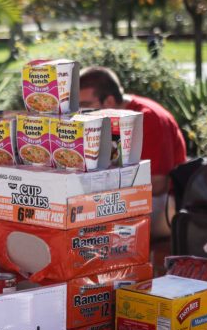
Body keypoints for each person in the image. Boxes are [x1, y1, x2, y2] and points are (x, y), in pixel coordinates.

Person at [78, 66, 187, 238]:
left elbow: (158, 184)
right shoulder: (110, 115)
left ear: (109, 102)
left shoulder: (148, 118)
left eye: (84, 106)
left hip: (166, 203)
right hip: (137, 195)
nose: (79, 113)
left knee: (91, 219)